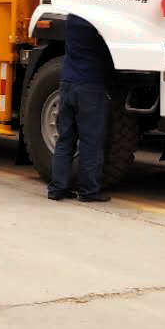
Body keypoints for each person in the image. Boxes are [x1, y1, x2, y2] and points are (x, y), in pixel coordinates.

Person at [48, 13, 114, 203]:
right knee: (90, 142)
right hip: (90, 85)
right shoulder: (98, 20)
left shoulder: (72, 19)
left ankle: (57, 189)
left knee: (65, 139)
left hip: (67, 83)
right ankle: (88, 191)